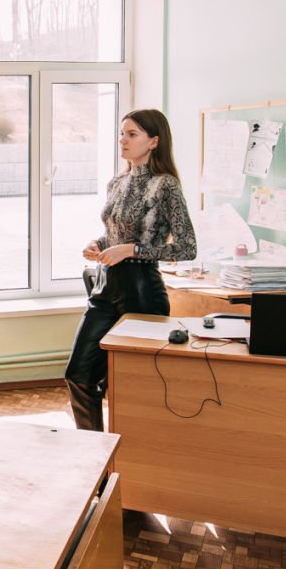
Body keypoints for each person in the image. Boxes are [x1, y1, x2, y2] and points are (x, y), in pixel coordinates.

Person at [66, 108, 197, 431]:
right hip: (104, 289)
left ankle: (133, 452)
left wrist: (131, 250)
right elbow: (113, 233)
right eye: (121, 134)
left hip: (142, 292)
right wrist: (97, 244)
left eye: (132, 134)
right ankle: (94, 450)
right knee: (78, 375)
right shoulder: (117, 182)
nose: (123, 140)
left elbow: (187, 247)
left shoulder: (166, 186)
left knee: (132, 386)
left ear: (154, 141)